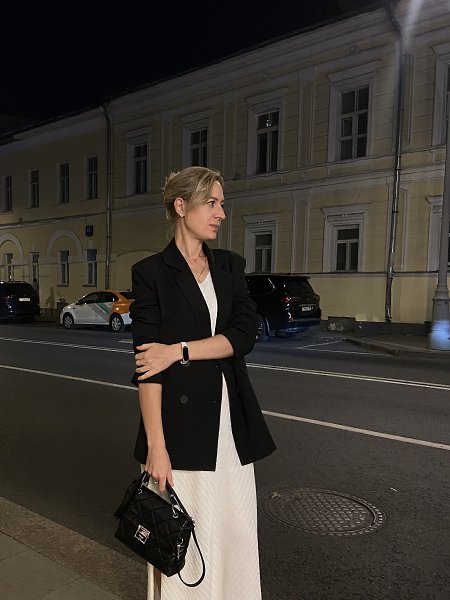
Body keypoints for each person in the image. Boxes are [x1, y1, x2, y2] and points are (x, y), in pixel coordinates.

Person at [129, 166, 276, 600]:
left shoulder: (229, 266)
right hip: (179, 431)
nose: (221, 214)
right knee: (183, 536)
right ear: (181, 206)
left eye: (222, 204)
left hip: (230, 425)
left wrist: (178, 350)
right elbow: (148, 368)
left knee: (234, 529)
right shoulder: (151, 273)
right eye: (211, 203)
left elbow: (243, 336)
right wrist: (156, 447)